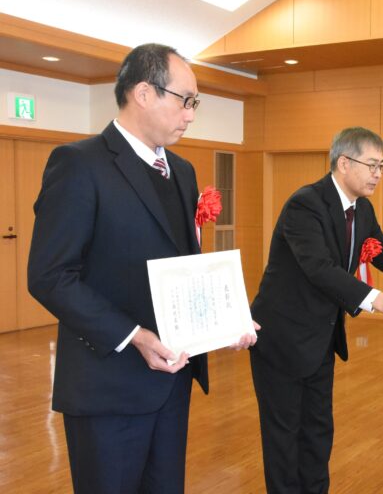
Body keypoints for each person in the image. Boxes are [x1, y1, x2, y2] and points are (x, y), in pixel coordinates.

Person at [27, 43, 257, 494]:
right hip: (108, 386)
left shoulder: (183, 171)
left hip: (172, 381)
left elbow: (184, 264)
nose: (191, 115)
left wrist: (226, 318)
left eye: (195, 103)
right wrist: (133, 336)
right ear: (143, 93)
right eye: (185, 100)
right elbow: (51, 276)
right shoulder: (80, 164)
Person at [250, 126, 383, 493]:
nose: (379, 173)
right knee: (284, 437)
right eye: (373, 165)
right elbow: (318, 267)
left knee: (317, 430)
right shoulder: (306, 203)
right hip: (282, 338)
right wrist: (379, 301)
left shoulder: (361, 208)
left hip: (320, 337)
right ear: (343, 163)